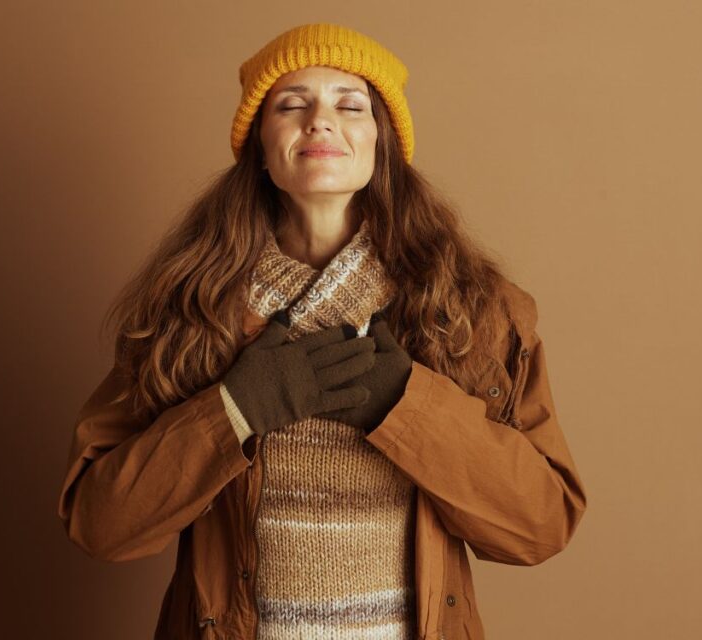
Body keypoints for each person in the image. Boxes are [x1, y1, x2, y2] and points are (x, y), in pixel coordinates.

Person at [56, 22, 588, 640]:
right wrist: (234, 410)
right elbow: (101, 524)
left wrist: (407, 406)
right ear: (260, 145)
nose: (320, 122)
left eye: (350, 105)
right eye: (292, 104)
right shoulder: (189, 310)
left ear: (383, 141)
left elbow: (540, 526)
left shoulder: (470, 311)